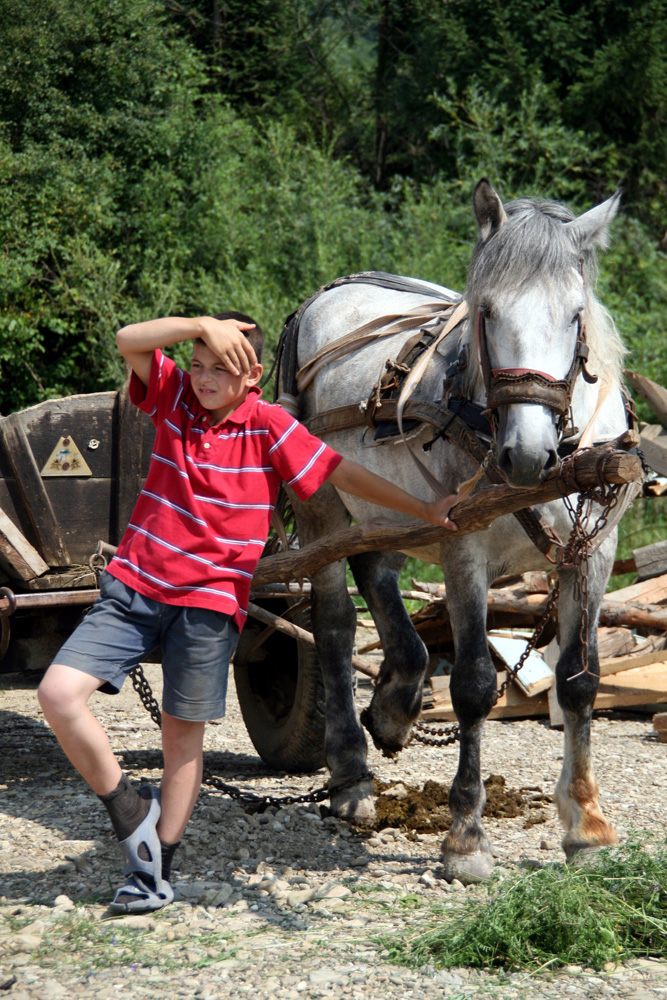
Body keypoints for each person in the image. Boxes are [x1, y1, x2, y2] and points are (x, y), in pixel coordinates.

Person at [37, 312, 459, 914]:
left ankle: (153, 870)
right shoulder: (175, 399)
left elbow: (343, 472)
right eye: (198, 364)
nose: (204, 379)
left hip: (210, 605)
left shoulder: (267, 425)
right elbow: (126, 338)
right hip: (136, 586)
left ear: (251, 375)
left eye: (220, 368)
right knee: (57, 695)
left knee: (180, 739)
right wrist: (197, 324)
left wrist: (425, 508)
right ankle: (131, 811)